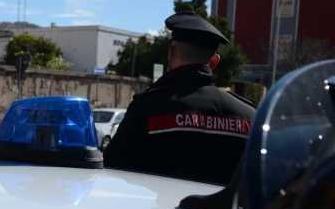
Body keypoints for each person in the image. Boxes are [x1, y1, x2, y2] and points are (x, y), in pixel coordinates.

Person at [103, 11, 255, 185]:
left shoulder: (146, 107)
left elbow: (113, 170)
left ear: (171, 51)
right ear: (214, 62)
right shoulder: (249, 116)